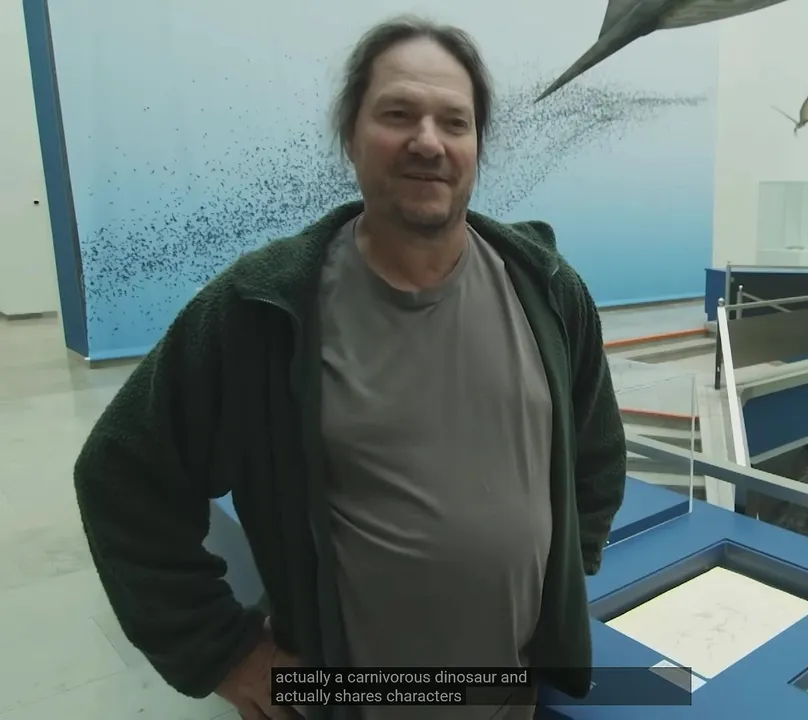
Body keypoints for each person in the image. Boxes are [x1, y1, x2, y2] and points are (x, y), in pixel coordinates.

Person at [73, 15, 627, 720]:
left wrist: (567, 576)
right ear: (350, 136)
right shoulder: (264, 309)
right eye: (398, 114)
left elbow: (596, 450)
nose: (428, 141)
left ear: (476, 147)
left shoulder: (546, 290)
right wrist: (222, 652)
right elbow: (121, 474)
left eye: (454, 122)